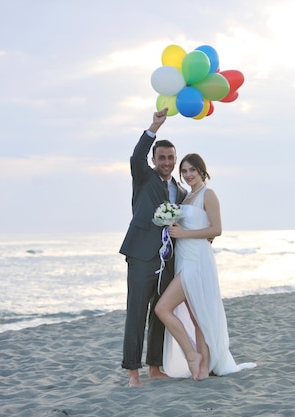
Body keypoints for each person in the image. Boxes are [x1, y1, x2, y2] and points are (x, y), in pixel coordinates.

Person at [155, 153, 256, 380]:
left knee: (162, 308)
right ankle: (202, 366)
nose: (188, 175)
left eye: (192, 170)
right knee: (196, 315)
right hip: (183, 258)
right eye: (184, 171)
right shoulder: (186, 198)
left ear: (202, 171)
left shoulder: (208, 195)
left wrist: (184, 233)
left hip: (197, 260)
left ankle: (194, 357)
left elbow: (216, 230)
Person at [119, 108, 188, 387]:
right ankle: (133, 372)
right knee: (136, 313)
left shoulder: (181, 191)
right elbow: (136, 156)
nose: (168, 162)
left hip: (167, 260)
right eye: (162, 158)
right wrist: (154, 127)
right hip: (141, 256)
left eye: (171, 158)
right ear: (154, 160)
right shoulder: (144, 177)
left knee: (160, 313)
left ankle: (154, 367)